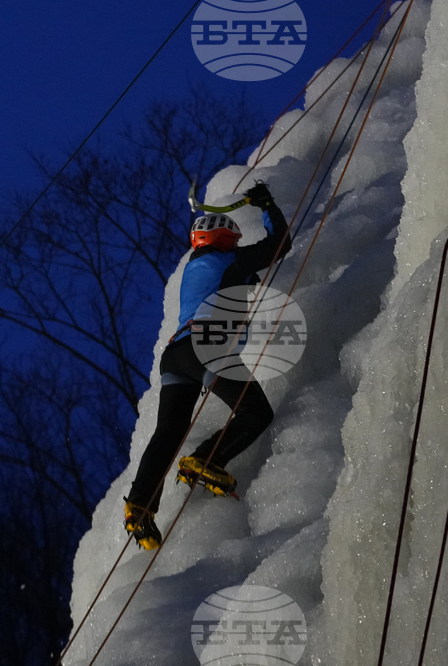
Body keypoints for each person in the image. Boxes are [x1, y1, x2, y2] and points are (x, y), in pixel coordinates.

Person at [124, 182, 291, 550]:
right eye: (233, 237)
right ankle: (205, 459)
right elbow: (280, 244)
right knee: (255, 412)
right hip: (207, 346)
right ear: (224, 236)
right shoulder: (230, 260)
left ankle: (139, 505)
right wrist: (267, 205)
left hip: (177, 354)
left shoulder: (198, 267)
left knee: (169, 431)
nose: (236, 242)